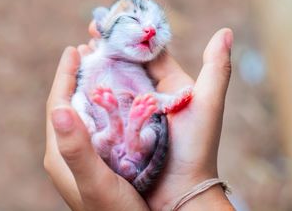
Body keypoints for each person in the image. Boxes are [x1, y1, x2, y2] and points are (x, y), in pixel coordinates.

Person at [44, 22, 235, 211]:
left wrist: (168, 101)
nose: (150, 30)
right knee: (105, 136)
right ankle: (120, 126)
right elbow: (81, 95)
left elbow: (150, 99)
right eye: (133, 20)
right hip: (117, 151)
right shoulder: (92, 62)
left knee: (148, 130)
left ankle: (124, 127)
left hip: (134, 154)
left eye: (159, 27)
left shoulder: (133, 69)